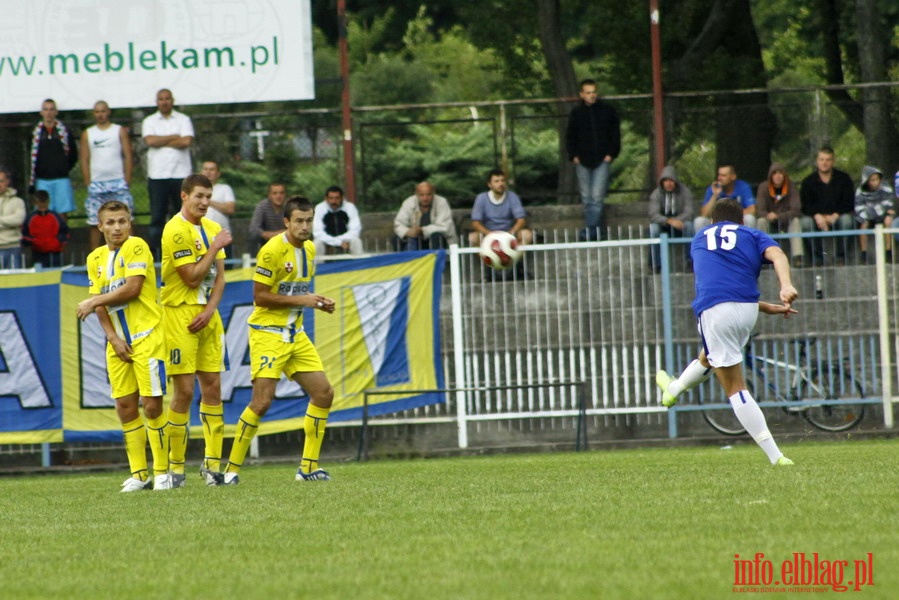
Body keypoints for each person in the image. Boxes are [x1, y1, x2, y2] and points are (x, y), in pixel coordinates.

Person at [655, 199, 797, 466]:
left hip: (715, 309)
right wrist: (785, 287)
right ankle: (674, 389)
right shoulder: (753, 234)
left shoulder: (698, 239)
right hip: (747, 311)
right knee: (709, 357)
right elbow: (777, 256)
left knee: (734, 386)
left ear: (711, 221)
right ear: (741, 221)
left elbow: (718, 280)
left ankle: (776, 457)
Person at [223, 196, 336, 484]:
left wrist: (319, 303)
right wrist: (304, 300)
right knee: (261, 402)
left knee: (323, 393)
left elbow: (298, 292)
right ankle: (230, 471)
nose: (304, 226)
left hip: (295, 334)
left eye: (309, 220)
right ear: (286, 222)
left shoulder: (309, 249)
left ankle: (308, 468)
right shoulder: (272, 251)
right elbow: (260, 297)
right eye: (298, 220)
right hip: (268, 334)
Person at [76, 200, 171, 491]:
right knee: (125, 406)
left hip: (147, 336)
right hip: (118, 343)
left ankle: (163, 472)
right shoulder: (94, 258)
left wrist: (94, 301)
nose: (117, 227)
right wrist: (113, 338)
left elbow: (132, 289)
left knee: (152, 406)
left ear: (130, 223)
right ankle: (140, 474)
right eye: (111, 222)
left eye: (122, 221)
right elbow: (102, 306)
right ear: (100, 226)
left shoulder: (137, 246)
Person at [160, 173, 232, 487]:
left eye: (208, 196)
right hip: (179, 316)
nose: (204, 202)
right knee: (185, 391)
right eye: (199, 196)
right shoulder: (175, 230)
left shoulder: (213, 227)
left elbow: (220, 278)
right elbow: (191, 277)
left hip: (207, 315)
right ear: (184, 196)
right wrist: (215, 247)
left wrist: (210, 310)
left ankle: (212, 466)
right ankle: (175, 468)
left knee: (214, 388)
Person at [565, 79, 620, 241]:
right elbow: (570, 136)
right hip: (582, 160)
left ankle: (589, 231)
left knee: (596, 198)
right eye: (588, 92)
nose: (592, 95)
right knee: (587, 198)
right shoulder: (576, 113)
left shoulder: (607, 111)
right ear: (582, 94)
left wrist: (611, 153)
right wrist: (573, 155)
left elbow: (615, 133)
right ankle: (596, 231)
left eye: (593, 92)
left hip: (602, 159)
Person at [143, 89, 194, 259]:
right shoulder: (149, 121)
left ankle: (182, 252)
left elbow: (186, 141)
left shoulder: (183, 119)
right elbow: (150, 141)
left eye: (167, 99)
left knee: (181, 216)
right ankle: (157, 256)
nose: (164, 102)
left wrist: (161, 140)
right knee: (157, 217)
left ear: (172, 100)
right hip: (158, 176)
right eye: (161, 99)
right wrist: (173, 137)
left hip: (181, 175)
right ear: (157, 102)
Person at [80, 100, 134, 250]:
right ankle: (95, 259)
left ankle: (131, 254)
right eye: (97, 111)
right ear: (94, 113)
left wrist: (127, 180)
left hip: (118, 182)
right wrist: (88, 182)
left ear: (108, 112)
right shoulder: (88, 133)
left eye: (103, 111)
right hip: (96, 184)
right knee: (94, 222)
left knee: (125, 220)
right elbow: (84, 159)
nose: (100, 114)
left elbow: (128, 155)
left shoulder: (119, 130)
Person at [799, 146, 855, 265]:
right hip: (816, 218)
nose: (824, 163)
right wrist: (817, 215)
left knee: (847, 221)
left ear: (833, 161)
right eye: (821, 159)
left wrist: (835, 215)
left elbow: (849, 202)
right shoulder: (808, 181)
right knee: (805, 223)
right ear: (817, 161)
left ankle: (841, 257)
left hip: (837, 216)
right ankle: (817, 258)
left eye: (828, 160)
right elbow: (805, 205)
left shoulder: (844, 179)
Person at [29, 99, 78, 219]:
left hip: (61, 178)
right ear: (41, 112)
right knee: (44, 213)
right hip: (43, 179)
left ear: (56, 112)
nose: (48, 113)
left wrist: (64, 167)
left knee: (62, 213)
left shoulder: (64, 131)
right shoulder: (35, 132)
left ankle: (62, 237)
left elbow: (73, 153)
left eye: (51, 109)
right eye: (45, 109)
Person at [468, 169, 533, 247]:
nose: (501, 183)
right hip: (488, 234)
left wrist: (509, 234)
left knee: (527, 235)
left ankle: (513, 258)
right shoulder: (481, 198)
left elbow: (521, 221)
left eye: (503, 180)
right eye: (496, 181)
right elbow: (475, 223)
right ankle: (486, 259)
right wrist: (490, 234)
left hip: (510, 234)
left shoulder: (512, 196)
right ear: (489, 184)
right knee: (473, 237)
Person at [647, 165, 694, 273]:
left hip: (680, 224)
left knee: (690, 226)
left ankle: (690, 261)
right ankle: (655, 265)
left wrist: (678, 220)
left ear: (676, 181)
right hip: (663, 225)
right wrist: (669, 221)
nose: (669, 183)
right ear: (662, 182)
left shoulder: (685, 191)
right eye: (666, 181)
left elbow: (689, 211)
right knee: (653, 228)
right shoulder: (656, 194)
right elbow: (653, 214)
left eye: (671, 180)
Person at [755, 163, 803, 268]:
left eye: (780, 173)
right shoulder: (763, 187)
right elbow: (759, 210)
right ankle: (763, 255)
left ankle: (797, 257)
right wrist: (768, 215)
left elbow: (796, 209)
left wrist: (778, 216)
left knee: (795, 221)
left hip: (786, 221)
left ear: (784, 175)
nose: (778, 176)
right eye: (774, 173)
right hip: (769, 222)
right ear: (770, 176)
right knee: (761, 221)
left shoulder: (791, 187)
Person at [393, 181, 457, 251]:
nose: (425, 198)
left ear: (433, 193)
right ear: (416, 195)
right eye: (422, 195)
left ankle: (436, 261)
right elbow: (398, 224)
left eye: (428, 195)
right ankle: (408, 260)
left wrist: (423, 230)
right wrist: (407, 232)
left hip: (437, 241)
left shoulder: (442, 202)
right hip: (415, 241)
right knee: (397, 238)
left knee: (436, 236)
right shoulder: (408, 203)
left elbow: (445, 227)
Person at [693, 165, 756, 231]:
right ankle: (702, 241)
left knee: (749, 218)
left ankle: (748, 241)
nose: (719, 178)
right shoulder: (713, 188)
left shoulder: (743, 187)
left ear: (733, 177)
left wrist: (730, 216)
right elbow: (704, 214)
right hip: (717, 222)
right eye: (719, 175)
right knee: (699, 221)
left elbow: (752, 209)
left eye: (723, 175)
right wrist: (715, 195)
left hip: (737, 221)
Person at [854, 165, 895, 263]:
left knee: (888, 221)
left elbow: (888, 204)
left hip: (882, 216)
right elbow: (859, 208)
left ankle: (888, 252)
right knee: (863, 223)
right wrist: (875, 210)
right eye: (872, 180)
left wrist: (873, 209)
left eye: (876, 179)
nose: (875, 182)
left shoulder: (886, 188)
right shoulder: (860, 191)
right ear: (867, 181)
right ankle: (864, 253)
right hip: (867, 216)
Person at [21, 190, 69, 267]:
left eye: (44, 202)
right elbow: (25, 234)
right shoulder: (31, 218)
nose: (42, 204)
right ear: (35, 202)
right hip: (37, 253)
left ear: (48, 202)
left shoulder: (55, 217)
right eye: (40, 202)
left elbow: (64, 231)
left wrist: (58, 242)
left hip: (55, 253)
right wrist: (33, 242)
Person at [313, 185, 363, 256]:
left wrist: (340, 240)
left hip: (346, 240)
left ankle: (360, 266)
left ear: (342, 198)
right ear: (326, 199)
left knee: (356, 241)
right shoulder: (319, 208)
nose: (334, 201)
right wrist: (337, 242)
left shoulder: (350, 208)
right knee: (316, 243)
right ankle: (318, 267)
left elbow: (355, 231)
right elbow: (318, 233)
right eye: (331, 198)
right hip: (326, 241)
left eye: (337, 198)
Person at [200, 160, 236, 258]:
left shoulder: (225, 188)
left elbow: (230, 208)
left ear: (218, 173)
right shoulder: (195, 191)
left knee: (226, 269)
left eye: (212, 169)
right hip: (200, 238)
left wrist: (209, 202)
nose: (208, 172)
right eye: (206, 169)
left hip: (222, 236)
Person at [0, 167, 26, 269]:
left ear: (7, 182)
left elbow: (18, 220)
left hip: (13, 247)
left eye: (1, 181)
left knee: (14, 280)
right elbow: (13, 220)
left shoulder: (17, 201)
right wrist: (8, 222)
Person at [249, 182, 288, 252]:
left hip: (287, 240)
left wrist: (274, 235)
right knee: (253, 237)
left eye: (281, 193)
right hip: (266, 242)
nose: (278, 196)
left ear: (285, 194)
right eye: (275, 193)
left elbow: (295, 227)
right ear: (269, 195)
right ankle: (254, 261)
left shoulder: (290, 206)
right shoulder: (262, 206)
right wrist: (265, 234)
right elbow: (253, 228)